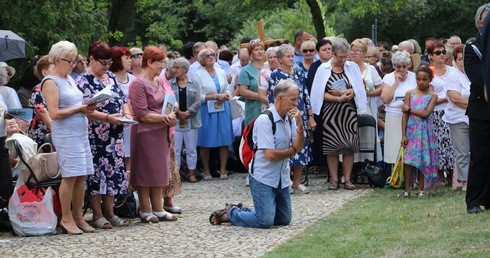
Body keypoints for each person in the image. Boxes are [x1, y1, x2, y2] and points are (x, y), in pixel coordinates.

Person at [209, 80, 304, 228]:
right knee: (265, 222)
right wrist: (292, 151)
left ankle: (249, 211)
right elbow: (270, 155)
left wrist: (300, 126)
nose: (296, 103)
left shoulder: (289, 118)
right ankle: (230, 213)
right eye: (293, 99)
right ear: (280, 98)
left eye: (296, 99)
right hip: (263, 177)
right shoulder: (265, 120)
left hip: (281, 177)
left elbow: (298, 146)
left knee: (284, 219)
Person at [42, 40, 96, 234]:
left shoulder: (69, 79)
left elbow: (74, 103)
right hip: (65, 134)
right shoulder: (50, 81)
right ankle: (65, 217)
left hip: (80, 132)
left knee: (81, 175)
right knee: (70, 175)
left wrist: (87, 106)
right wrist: (80, 109)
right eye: (70, 61)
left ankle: (78, 215)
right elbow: (54, 113)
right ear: (57, 60)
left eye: (74, 61)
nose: (73, 65)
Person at [77, 41, 131, 229]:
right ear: (91, 59)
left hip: (114, 135)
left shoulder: (111, 77)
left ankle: (110, 212)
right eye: (103, 63)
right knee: (96, 174)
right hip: (95, 135)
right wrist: (107, 117)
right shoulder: (83, 81)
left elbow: (124, 99)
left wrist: (127, 113)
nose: (106, 67)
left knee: (113, 172)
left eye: (109, 63)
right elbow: (85, 109)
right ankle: (97, 214)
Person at [310, 37, 368, 191]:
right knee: (332, 147)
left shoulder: (352, 67)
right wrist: (337, 98)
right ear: (333, 54)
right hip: (331, 111)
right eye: (339, 57)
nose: (342, 60)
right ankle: (334, 179)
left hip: (348, 111)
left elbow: (359, 88)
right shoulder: (323, 69)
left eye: (345, 57)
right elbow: (319, 93)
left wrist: (349, 92)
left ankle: (347, 179)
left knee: (349, 145)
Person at [128, 45, 178, 222]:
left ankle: (158, 208)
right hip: (145, 133)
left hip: (160, 132)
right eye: (159, 63)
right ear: (149, 62)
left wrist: (172, 114)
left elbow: (170, 102)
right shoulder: (137, 83)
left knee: (159, 171)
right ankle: (145, 209)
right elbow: (142, 114)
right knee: (145, 171)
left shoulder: (159, 81)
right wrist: (166, 118)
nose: (162, 67)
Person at [464, 3, 490, 214]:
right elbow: (480, 80)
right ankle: (474, 200)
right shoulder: (473, 48)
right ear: (481, 23)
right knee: (480, 155)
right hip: (482, 110)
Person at [194, 48, 233, 180]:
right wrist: (214, 96)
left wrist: (225, 95)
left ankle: (223, 169)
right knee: (206, 139)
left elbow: (228, 89)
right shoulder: (198, 74)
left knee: (224, 139)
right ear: (202, 60)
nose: (210, 57)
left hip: (222, 108)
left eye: (212, 55)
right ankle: (206, 170)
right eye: (207, 56)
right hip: (207, 109)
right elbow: (197, 96)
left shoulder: (221, 72)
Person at [399, 66, 438, 198]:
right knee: (408, 160)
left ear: (430, 80)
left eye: (424, 79)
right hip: (411, 130)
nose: (421, 82)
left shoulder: (432, 96)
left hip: (425, 131)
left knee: (423, 158)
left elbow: (426, 113)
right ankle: (407, 189)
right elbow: (404, 116)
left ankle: (421, 189)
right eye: (418, 79)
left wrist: (409, 109)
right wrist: (403, 134)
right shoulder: (410, 93)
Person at [380, 50, 416, 168]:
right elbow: (385, 99)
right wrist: (396, 83)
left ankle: (411, 178)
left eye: (403, 66)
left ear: (408, 65)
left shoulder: (414, 77)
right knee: (394, 147)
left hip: (411, 115)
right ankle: (395, 177)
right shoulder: (388, 78)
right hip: (394, 115)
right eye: (397, 66)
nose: (400, 69)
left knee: (411, 147)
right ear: (393, 65)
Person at [350, 39, 383, 163]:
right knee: (351, 135)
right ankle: (349, 168)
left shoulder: (370, 69)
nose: (354, 53)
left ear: (364, 53)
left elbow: (380, 88)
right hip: (351, 105)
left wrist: (365, 93)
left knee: (367, 135)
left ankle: (367, 165)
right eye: (352, 50)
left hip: (368, 105)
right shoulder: (346, 67)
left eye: (357, 51)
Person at [427, 41, 455, 186]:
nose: (442, 55)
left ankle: (452, 174)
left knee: (451, 143)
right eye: (438, 53)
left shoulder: (452, 70)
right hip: (437, 113)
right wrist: (448, 97)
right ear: (430, 56)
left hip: (452, 111)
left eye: (443, 52)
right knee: (438, 143)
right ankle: (439, 176)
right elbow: (430, 97)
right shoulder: (429, 72)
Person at [170, 57, 202, 183]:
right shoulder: (170, 83)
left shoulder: (194, 82)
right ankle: (176, 174)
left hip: (191, 120)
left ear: (184, 69)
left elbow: (198, 100)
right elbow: (168, 99)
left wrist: (188, 112)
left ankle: (192, 173)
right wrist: (179, 113)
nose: (174, 70)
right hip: (176, 119)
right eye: (174, 67)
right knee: (176, 149)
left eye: (177, 67)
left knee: (191, 148)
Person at [443, 44, 470, 191]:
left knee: (477, 151)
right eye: (460, 59)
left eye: (466, 58)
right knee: (463, 152)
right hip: (458, 118)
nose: (463, 61)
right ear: (455, 59)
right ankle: (465, 182)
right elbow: (455, 98)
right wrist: (477, 107)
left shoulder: (474, 72)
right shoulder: (453, 75)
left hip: (476, 118)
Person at [109, 46, 135, 174]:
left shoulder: (133, 79)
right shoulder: (109, 79)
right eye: (127, 58)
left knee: (130, 155)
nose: (130, 61)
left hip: (131, 122)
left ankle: (129, 186)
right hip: (116, 121)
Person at [238, 39, 268, 126]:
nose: (259, 52)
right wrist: (261, 97)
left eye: (261, 49)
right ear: (251, 53)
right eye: (256, 50)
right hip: (254, 108)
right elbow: (243, 91)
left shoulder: (269, 67)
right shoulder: (245, 70)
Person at [27, 55, 53, 145]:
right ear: (45, 72)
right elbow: (44, 114)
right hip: (41, 138)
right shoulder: (37, 92)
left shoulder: (56, 89)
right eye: (54, 68)